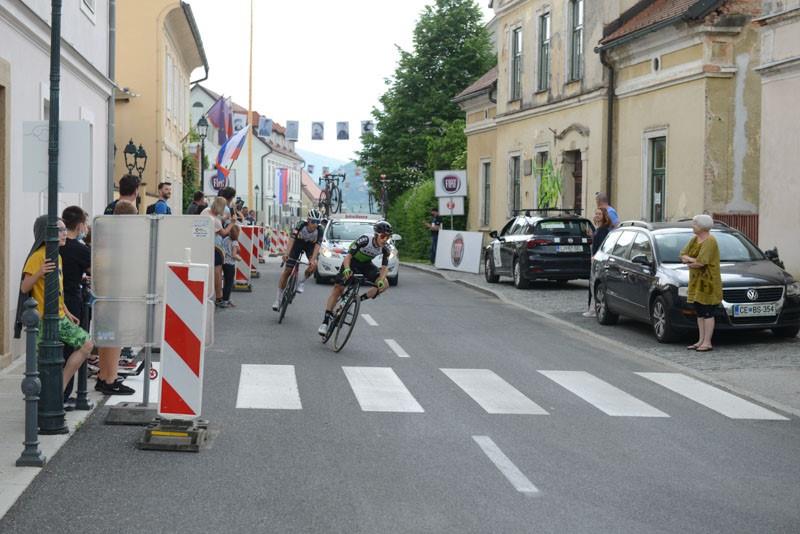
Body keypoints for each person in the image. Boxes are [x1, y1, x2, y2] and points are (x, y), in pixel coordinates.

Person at [17, 216, 94, 394]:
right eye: (60, 230)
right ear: (47, 233)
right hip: (43, 319)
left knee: (87, 344)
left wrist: (66, 311)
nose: (64, 233)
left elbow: (58, 290)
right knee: (43, 363)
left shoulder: (57, 256)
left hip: (59, 316)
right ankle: (43, 400)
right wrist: (39, 272)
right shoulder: (38, 256)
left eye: (65, 229)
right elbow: (24, 287)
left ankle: (60, 386)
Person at [318, 220, 392, 335]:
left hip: (366, 265)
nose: (384, 240)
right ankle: (325, 321)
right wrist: (347, 269)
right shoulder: (365, 240)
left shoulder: (385, 248)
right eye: (383, 236)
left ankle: (357, 300)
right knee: (338, 288)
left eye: (387, 237)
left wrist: (381, 280)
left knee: (385, 284)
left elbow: (384, 268)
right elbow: (348, 257)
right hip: (351, 262)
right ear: (376, 234)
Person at [59, 207, 94, 405]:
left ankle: (59, 392)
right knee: (74, 347)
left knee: (60, 350)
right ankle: (63, 393)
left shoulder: (55, 245)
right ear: (80, 225)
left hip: (58, 301)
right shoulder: (80, 249)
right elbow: (94, 270)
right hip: (72, 301)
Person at [680, 214, 722, 352]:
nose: (692, 226)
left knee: (707, 311)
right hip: (696, 281)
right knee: (699, 312)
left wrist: (690, 260)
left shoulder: (710, 241)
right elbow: (682, 254)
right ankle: (700, 340)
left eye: (695, 224)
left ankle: (707, 342)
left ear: (702, 226)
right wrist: (692, 261)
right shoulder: (694, 239)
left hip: (708, 283)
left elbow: (702, 262)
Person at [273, 209, 323, 311]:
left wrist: (312, 260)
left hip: (310, 246)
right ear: (308, 220)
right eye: (313, 221)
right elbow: (292, 239)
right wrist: (286, 254)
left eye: (317, 222)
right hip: (298, 244)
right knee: (287, 271)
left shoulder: (320, 229)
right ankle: (278, 299)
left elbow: (317, 246)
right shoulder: (301, 225)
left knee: (314, 265)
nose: (315, 224)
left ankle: (302, 282)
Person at [583, 207, 612, 318]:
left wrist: (595, 256)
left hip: (598, 261)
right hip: (595, 259)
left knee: (594, 284)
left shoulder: (604, 230)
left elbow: (602, 246)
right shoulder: (599, 229)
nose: (597, 216)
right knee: (592, 284)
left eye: (599, 214)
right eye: (596, 213)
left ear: (604, 216)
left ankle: (594, 309)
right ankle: (592, 308)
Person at [220, 224, 242, 308]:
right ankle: (226, 300)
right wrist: (239, 258)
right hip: (230, 264)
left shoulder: (225, 239)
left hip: (224, 262)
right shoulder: (235, 242)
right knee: (229, 283)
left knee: (225, 282)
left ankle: (225, 299)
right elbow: (234, 255)